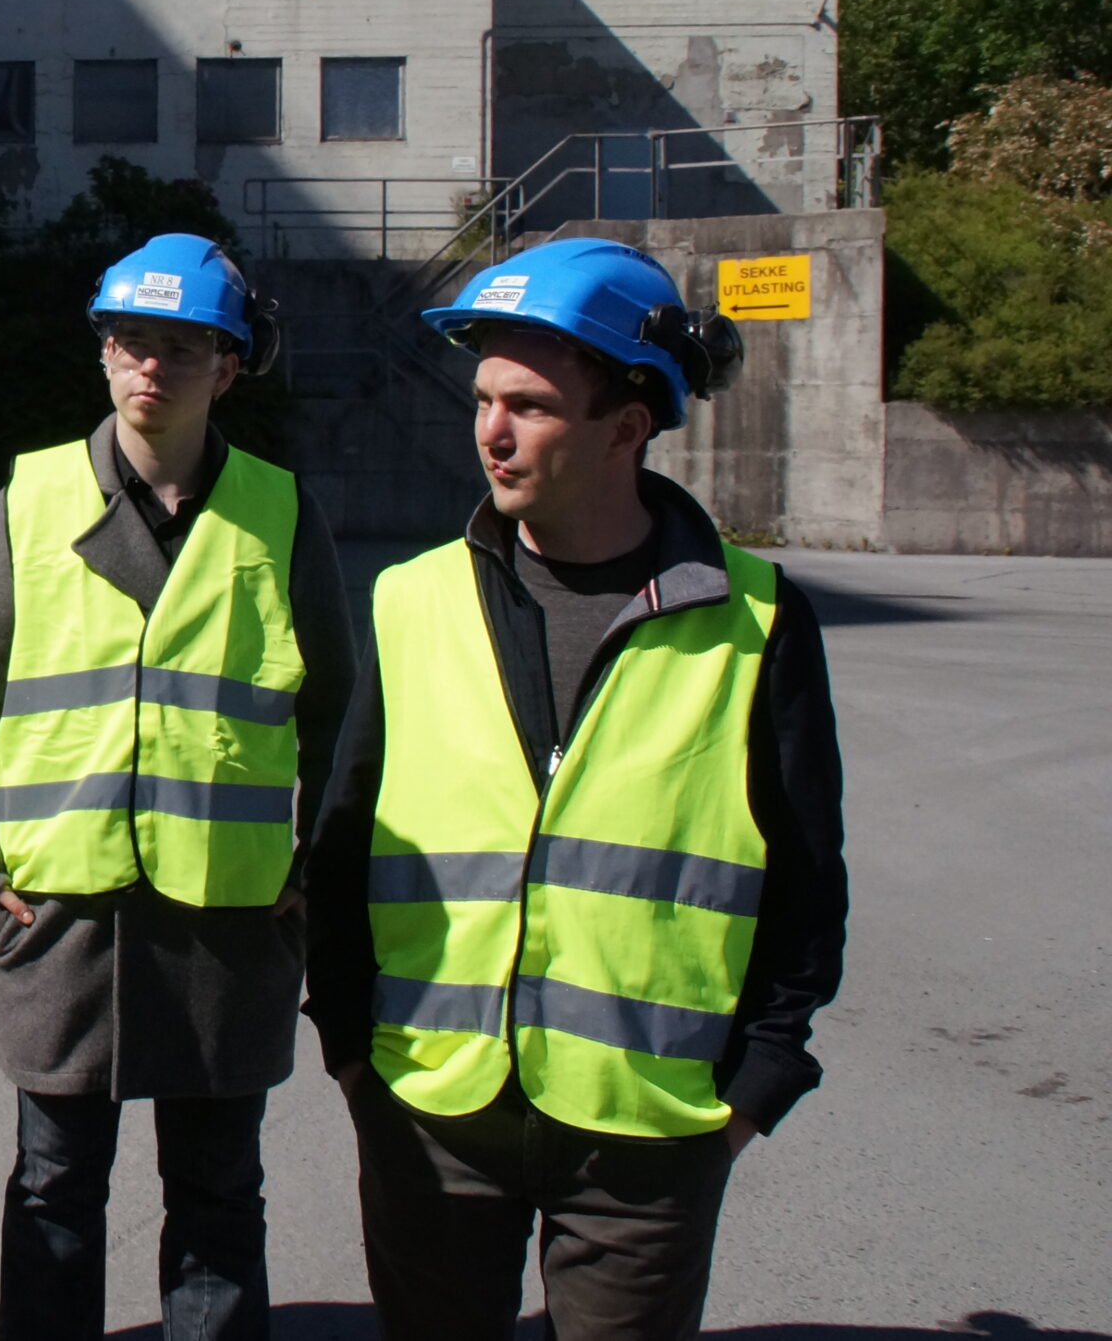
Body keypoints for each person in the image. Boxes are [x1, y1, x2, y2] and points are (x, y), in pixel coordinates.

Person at [304, 237, 849, 1340]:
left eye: (530, 408)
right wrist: (354, 1052)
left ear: (625, 429)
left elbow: (802, 878)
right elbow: (343, 846)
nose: (490, 433)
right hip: (434, 1108)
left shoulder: (755, 618)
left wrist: (754, 1089)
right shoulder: (410, 601)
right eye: (485, 400)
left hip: (648, 1131)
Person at [0, 233, 354, 1341]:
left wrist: (304, 870)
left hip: (227, 918)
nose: (148, 369)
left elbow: (334, 715)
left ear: (228, 367)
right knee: (52, 1190)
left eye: (182, 347)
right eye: (129, 341)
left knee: (218, 1196)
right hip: (62, 915)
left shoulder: (277, 510)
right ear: (102, 352)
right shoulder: (32, 499)